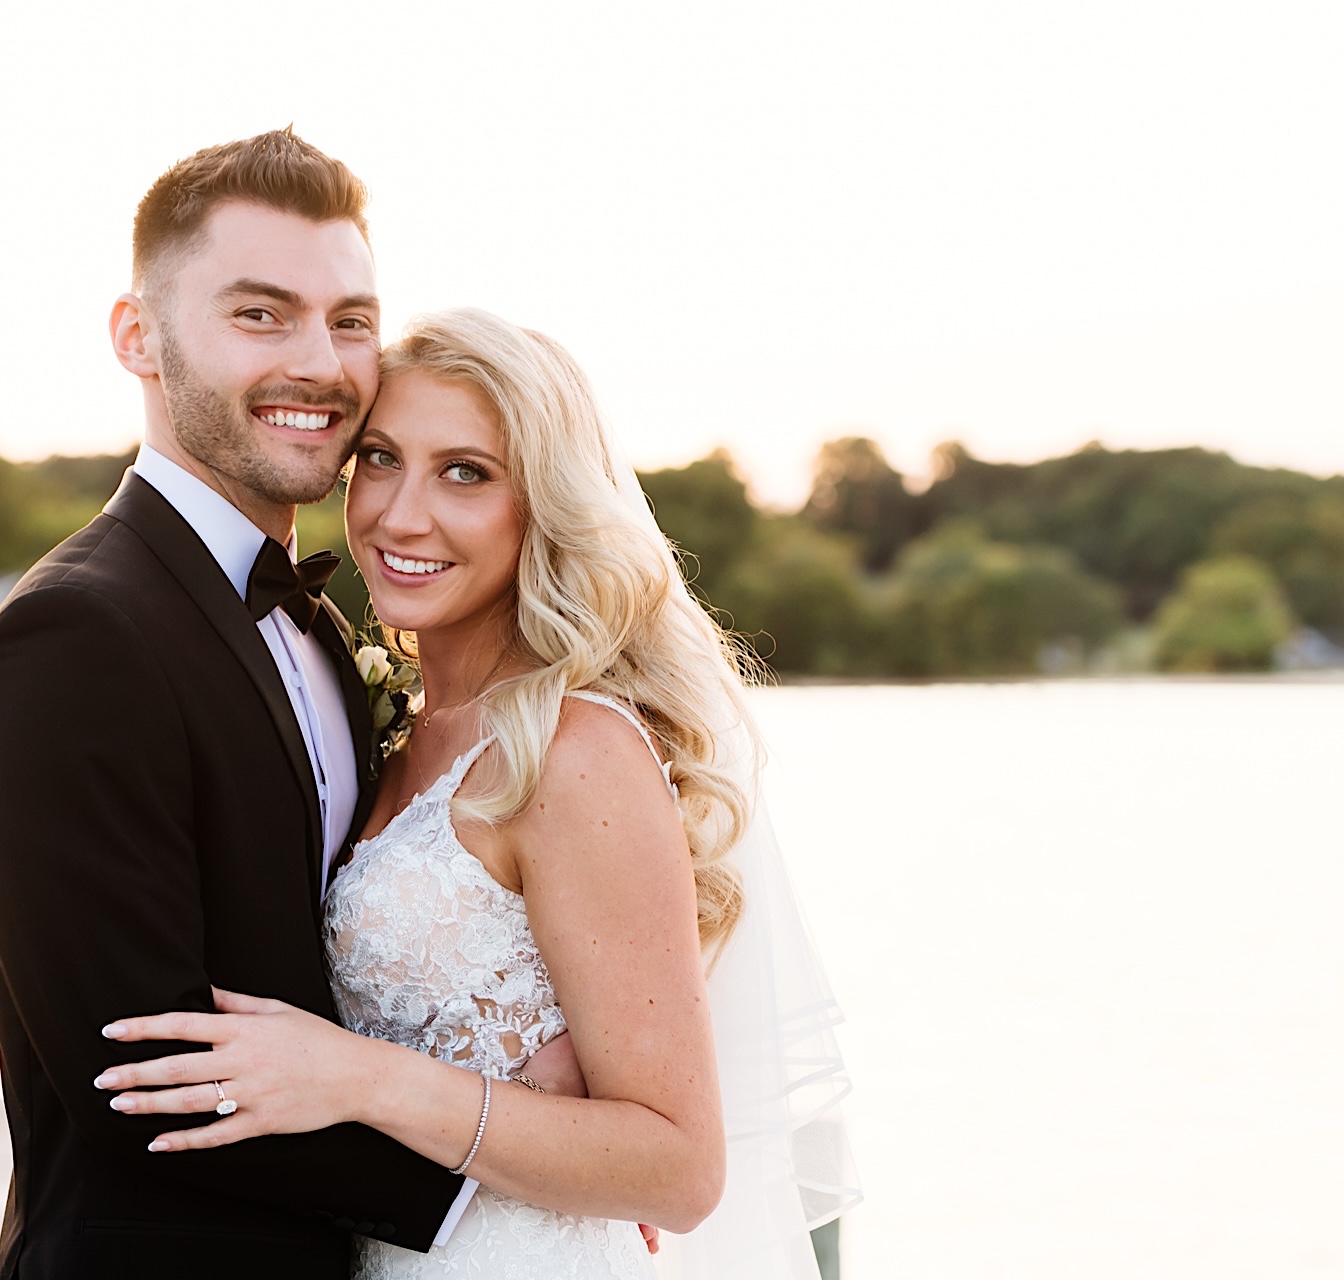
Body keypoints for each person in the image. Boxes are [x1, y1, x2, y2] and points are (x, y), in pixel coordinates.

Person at [93, 309, 862, 1277]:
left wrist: (363, 1077)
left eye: (466, 471)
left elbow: (678, 1165)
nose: (401, 513)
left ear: (543, 503)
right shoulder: (396, 722)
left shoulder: (575, 749)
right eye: (379, 458)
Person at [0, 131, 580, 1276]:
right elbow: (147, 1084)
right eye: (259, 314)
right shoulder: (71, 639)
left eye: (349, 319)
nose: (321, 362)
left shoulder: (329, 634)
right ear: (138, 338)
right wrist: (514, 1155)